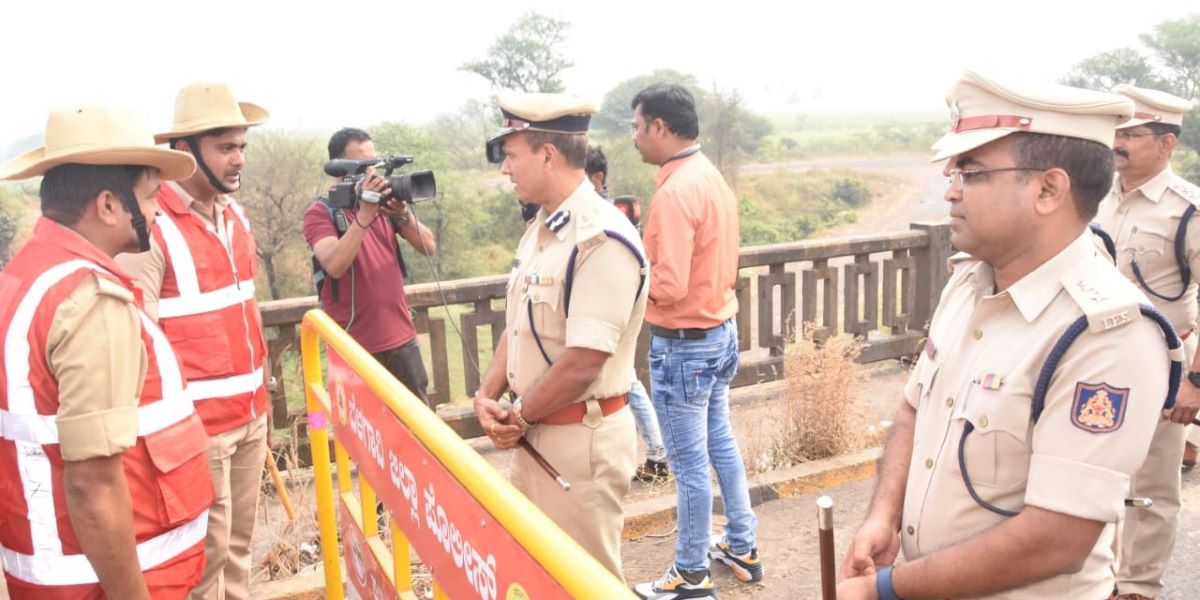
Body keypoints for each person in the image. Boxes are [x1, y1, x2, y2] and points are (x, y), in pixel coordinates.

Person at [837, 70, 1173, 599]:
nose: (949, 191)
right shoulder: (969, 283)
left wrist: (885, 589)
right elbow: (913, 410)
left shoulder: (1107, 334)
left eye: (970, 172)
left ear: (1047, 189)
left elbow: (1056, 538)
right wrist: (884, 516)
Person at [0, 106, 213, 598]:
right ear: (109, 206)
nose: (159, 212)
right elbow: (92, 483)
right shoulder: (90, 301)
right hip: (113, 582)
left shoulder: (26, 277)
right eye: (151, 197)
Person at [472, 92, 646, 578]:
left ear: (547, 155)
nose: (506, 169)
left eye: (511, 155)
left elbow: (584, 361)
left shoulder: (601, 239)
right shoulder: (544, 228)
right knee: (536, 577)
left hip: (579, 442)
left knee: (585, 582)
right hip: (535, 435)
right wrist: (488, 394)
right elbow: (520, 322)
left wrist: (518, 413)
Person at [116, 81, 270, 600]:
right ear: (185, 153)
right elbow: (137, 342)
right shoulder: (151, 228)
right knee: (202, 565)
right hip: (195, 433)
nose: (238, 160)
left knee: (238, 554)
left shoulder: (237, 217)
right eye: (225, 147)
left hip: (251, 417)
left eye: (242, 147)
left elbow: (244, 312)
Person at [630, 83, 760, 600]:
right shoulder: (709, 178)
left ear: (660, 127)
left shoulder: (673, 192)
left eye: (638, 127)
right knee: (719, 444)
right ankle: (743, 547)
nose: (636, 137)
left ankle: (690, 573)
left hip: (684, 344)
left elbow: (669, 285)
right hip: (719, 330)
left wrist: (629, 281)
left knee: (686, 465)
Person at [1093, 84, 1199, 600]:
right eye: (1116, 132)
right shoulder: (1093, 200)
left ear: (1167, 144)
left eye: (1131, 134)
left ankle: (1137, 588)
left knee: (1153, 486)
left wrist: (1195, 384)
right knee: (1092, 474)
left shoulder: (1188, 211)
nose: (1118, 143)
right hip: (1092, 360)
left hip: (1163, 364)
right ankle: (1097, 578)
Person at [304, 127, 437, 405]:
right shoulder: (321, 213)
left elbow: (428, 246)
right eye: (363, 167)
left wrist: (401, 215)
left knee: (418, 432)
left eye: (373, 164)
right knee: (364, 440)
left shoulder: (386, 206)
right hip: (354, 348)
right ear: (339, 169)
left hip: (402, 339)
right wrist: (364, 214)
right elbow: (334, 264)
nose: (372, 174)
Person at [585, 144, 670, 483]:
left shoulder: (601, 217)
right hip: (612, 308)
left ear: (597, 178)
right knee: (625, 382)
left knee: (627, 383)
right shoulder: (603, 213)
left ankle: (658, 453)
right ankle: (657, 453)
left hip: (609, 311)